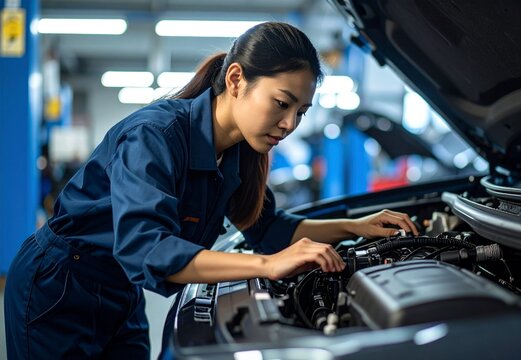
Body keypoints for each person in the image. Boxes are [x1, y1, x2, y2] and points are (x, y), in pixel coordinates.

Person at [4, 22, 418, 359]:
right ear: (237, 79)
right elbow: (147, 249)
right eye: (282, 103)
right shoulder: (156, 135)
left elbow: (270, 228)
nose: (290, 124)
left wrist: (356, 226)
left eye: (301, 111)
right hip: (60, 285)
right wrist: (268, 266)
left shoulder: (241, 154)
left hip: (118, 292)